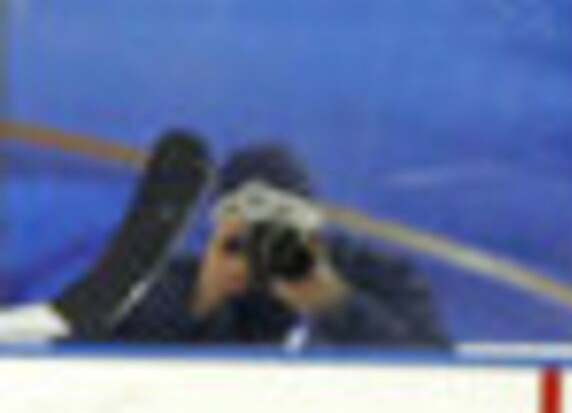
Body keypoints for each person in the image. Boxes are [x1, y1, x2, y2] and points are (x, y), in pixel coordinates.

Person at [105, 142, 450, 350]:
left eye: (285, 223)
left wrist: (334, 303)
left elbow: (442, 378)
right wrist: (202, 301)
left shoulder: (374, 274)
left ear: (314, 227)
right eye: (247, 231)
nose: (265, 247)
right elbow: (92, 367)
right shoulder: (181, 281)